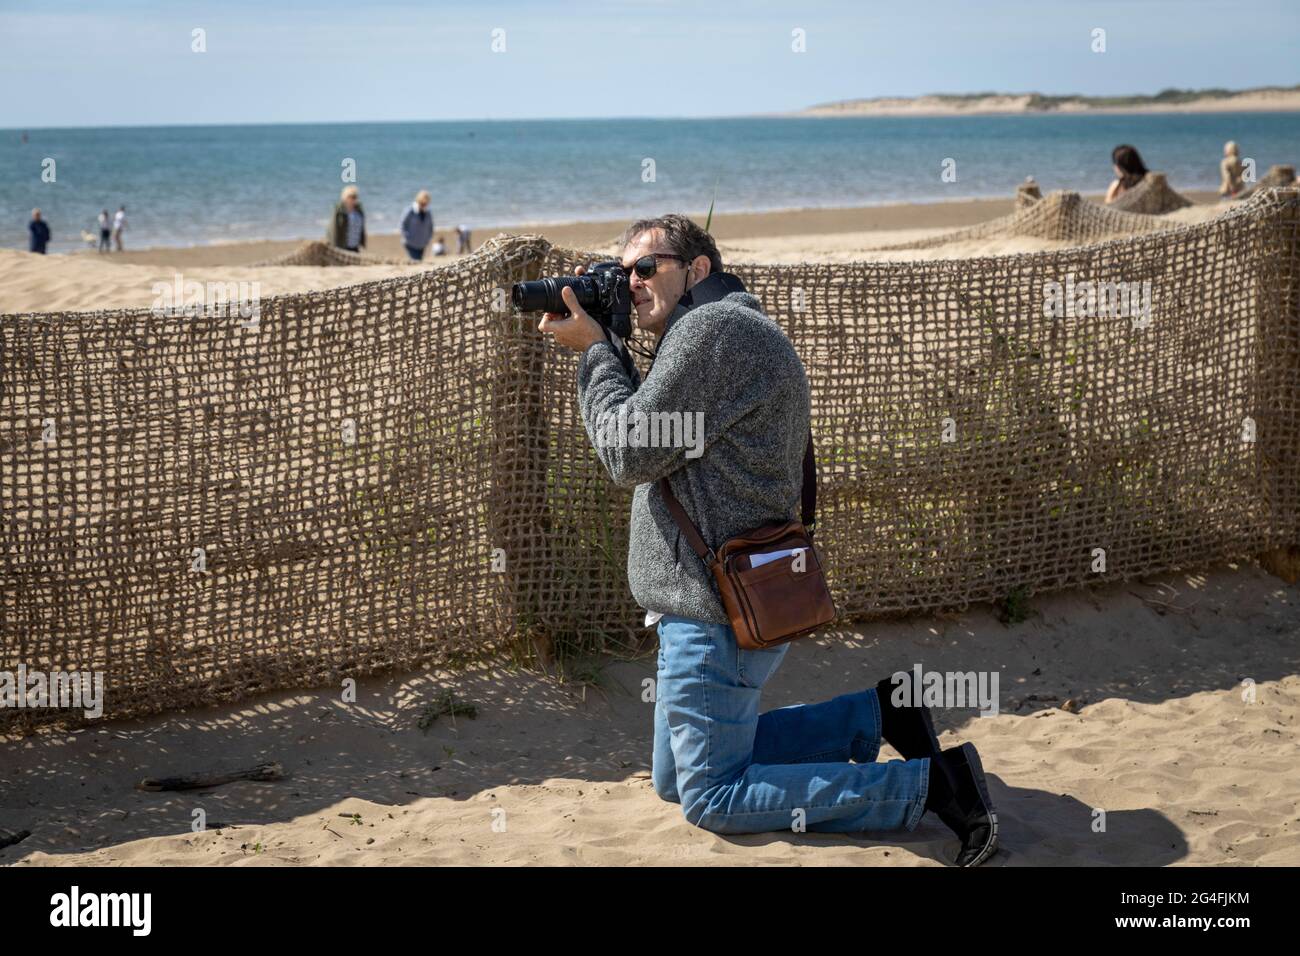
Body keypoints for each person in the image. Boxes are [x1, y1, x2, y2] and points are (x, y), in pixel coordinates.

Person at [536, 212, 999, 866]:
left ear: (696, 269)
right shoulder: (721, 330)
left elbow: (628, 451)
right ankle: (876, 717)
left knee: (711, 796)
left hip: (712, 610)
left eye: (647, 268)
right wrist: (609, 337)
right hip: (722, 598)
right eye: (624, 271)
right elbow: (662, 431)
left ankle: (930, 788)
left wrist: (592, 353)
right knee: (675, 779)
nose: (633, 281)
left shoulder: (714, 332)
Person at [399, 190, 434, 261]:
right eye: (423, 203)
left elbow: (431, 227)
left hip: (422, 244)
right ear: (419, 200)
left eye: (426, 203)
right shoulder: (410, 210)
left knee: (419, 260)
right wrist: (406, 236)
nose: (424, 205)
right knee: (415, 261)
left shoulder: (427, 212)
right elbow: (402, 224)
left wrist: (428, 238)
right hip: (410, 243)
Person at [330, 185, 365, 252]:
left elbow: (361, 228)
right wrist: (334, 245)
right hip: (343, 246)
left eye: (355, 197)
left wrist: (362, 242)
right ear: (345, 197)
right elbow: (333, 229)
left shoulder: (359, 210)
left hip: (355, 245)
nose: (353, 199)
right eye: (350, 197)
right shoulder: (339, 211)